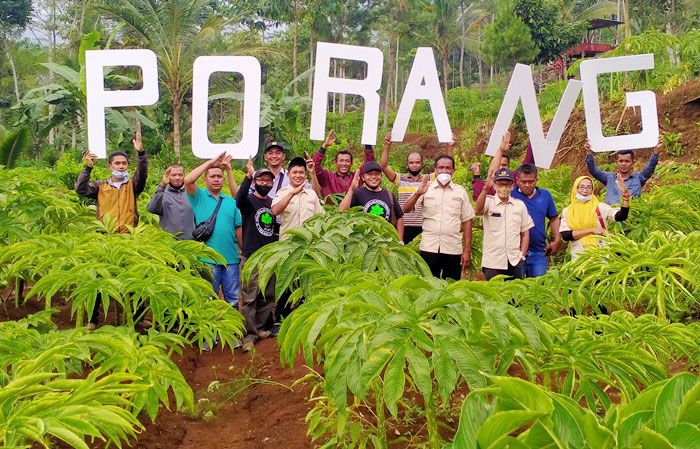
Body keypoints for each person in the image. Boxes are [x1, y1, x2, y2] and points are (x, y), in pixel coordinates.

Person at [75, 121, 148, 329]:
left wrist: (141, 155)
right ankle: (93, 320)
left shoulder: (132, 186)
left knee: (134, 278)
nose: (121, 166)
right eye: (117, 164)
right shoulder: (100, 186)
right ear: (110, 166)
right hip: (105, 239)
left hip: (128, 237)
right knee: (98, 281)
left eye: (124, 163)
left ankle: (138, 317)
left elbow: (142, 176)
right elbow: (80, 190)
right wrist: (87, 168)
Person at [185, 152, 243, 309]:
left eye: (219, 176)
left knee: (233, 300)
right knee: (208, 299)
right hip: (207, 259)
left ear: (223, 179)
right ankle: (210, 334)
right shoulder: (199, 197)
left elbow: (238, 228)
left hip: (230, 259)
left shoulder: (231, 202)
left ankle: (230, 333)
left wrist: (243, 252)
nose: (216, 179)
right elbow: (188, 180)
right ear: (205, 179)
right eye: (212, 176)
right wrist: (210, 162)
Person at [403, 155, 474, 280]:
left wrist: (467, 250)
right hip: (429, 247)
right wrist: (418, 193)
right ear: (435, 170)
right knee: (428, 285)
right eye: (441, 167)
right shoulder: (426, 188)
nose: (444, 171)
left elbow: (467, 221)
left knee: (452, 286)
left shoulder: (460, 192)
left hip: (453, 248)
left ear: (453, 171)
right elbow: (406, 209)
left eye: (448, 168)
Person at [379, 133, 455, 244]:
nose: (414, 165)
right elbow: (383, 166)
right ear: (407, 165)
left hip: (424, 226)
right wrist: (387, 146)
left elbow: (447, 168)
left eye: (417, 162)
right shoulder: (400, 179)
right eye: (411, 162)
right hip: (403, 226)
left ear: (422, 164)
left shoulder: (429, 178)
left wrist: (450, 147)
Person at [236, 158, 278, 352]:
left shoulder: (272, 202)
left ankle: (261, 328)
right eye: (261, 180)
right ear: (255, 181)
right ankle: (249, 335)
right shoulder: (248, 201)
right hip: (251, 255)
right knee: (249, 296)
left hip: (269, 257)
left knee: (267, 295)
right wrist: (248, 175)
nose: (265, 184)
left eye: (269, 181)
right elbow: (239, 198)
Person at [475, 168, 534, 281]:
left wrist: (521, 255)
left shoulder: (519, 205)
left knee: (514, 295)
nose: (504, 188)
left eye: (507, 185)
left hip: (514, 260)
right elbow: (477, 210)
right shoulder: (488, 202)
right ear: (495, 186)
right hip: (493, 261)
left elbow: (525, 233)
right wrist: (485, 187)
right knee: (494, 294)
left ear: (512, 186)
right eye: (500, 184)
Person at [559, 175, 630, 261]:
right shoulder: (568, 211)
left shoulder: (600, 207)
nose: (585, 190)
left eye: (589, 188)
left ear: (592, 190)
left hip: (601, 254)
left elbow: (621, 216)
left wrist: (625, 195)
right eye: (581, 187)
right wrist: (592, 230)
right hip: (578, 255)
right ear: (576, 188)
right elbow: (566, 235)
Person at [511, 164, 561, 277]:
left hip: (539, 252)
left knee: (537, 289)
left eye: (531, 181)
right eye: (524, 182)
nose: (527, 185)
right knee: (515, 288)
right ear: (517, 180)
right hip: (515, 251)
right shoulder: (511, 195)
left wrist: (557, 239)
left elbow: (553, 218)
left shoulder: (545, 196)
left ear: (536, 180)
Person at [339, 161, 404, 240]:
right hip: (364, 242)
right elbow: (341, 211)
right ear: (363, 178)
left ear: (381, 176)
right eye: (369, 174)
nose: (373, 177)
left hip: (387, 242)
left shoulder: (389, 194)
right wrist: (352, 189)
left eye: (377, 173)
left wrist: (400, 240)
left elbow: (399, 217)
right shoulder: (358, 193)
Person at [585, 140, 661, 204]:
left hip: (631, 219)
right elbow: (594, 171)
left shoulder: (639, 178)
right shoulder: (609, 178)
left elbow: (649, 168)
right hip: (612, 219)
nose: (624, 164)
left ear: (632, 162)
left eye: (627, 161)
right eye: (621, 161)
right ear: (617, 162)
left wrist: (656, 152)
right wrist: (589, 153)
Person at [271, 156, 325, 240]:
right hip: (287, 243)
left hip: (308, 243)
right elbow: (274, 211)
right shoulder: (282, 193)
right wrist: (292, 193)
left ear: (305, 174)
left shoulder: (311, 194)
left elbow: (321, 217)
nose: (298, 175)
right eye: (294, 172)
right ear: (288, 174)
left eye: (301, 172)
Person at [312, 129, 376, 198]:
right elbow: (314, 167)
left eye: (347, 161)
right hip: (331, 208)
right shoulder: (327, 177)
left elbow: (369, 164)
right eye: (341, 160)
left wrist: (367, 143)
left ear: (351, 163)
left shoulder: (356, 177)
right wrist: (324, 146)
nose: (344, 164)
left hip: (352, 208)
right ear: (335, 163)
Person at [470, 135, 535, 201]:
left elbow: (528, 163)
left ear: (508, 166)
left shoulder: (514, 177)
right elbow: (479, 198)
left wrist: (534, 137)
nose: (501, 167)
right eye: (499, 164)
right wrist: (476, 176)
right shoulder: (488, 185)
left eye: (504, 165)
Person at [147, 165, 195, 240]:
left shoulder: (191, 193)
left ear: (184, 176)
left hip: (192, 241)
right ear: (168, 176)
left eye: (180, 175)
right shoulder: (162, 193)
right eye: (173, 175)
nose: (177, 178)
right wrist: (162, 186)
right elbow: (152, 209)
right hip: (169, 241)